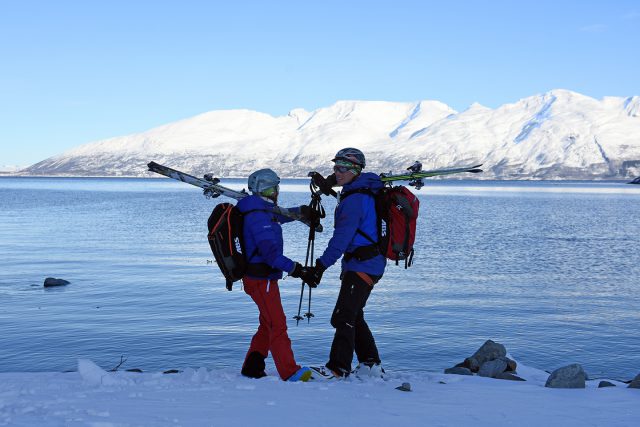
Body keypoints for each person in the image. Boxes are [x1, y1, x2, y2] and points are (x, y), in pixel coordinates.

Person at [305, 148, 387, 379]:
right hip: (369, 262)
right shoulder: (363, 190)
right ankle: (371, 364)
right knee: (355, 314)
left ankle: (337, 368)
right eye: (335, 167)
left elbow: (341, 240)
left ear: (355, 171)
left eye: (342, 168)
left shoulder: (355, 200)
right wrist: (328, 184)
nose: (337, 172)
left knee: (343, 316)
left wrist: (320, 266)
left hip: (363, 264)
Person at [236, 168, 316, 382]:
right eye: (272, 188)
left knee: (267, 322)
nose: (276, 191)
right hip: (260, 279)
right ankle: (290, 372)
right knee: (277, 324)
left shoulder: (261, 210)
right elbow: (270, 255)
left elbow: (279, 216)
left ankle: (252, 366)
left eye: (276, 187)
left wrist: (301, 212)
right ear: (261, 190)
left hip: (265, 278)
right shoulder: (258, 216)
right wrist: (298, 270)